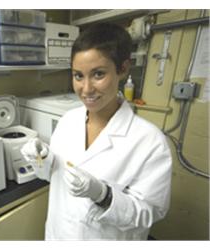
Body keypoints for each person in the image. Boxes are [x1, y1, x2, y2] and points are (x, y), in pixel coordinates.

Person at [21, 23, 172, 240]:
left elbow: (150, 212)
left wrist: (104, 195)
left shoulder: (150, 141)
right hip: (59, 235)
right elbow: (52, 176)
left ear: (122, 69)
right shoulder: (68, 121)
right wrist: (41, 158)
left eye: (98, 74)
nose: (86, 88)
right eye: (78, 76)